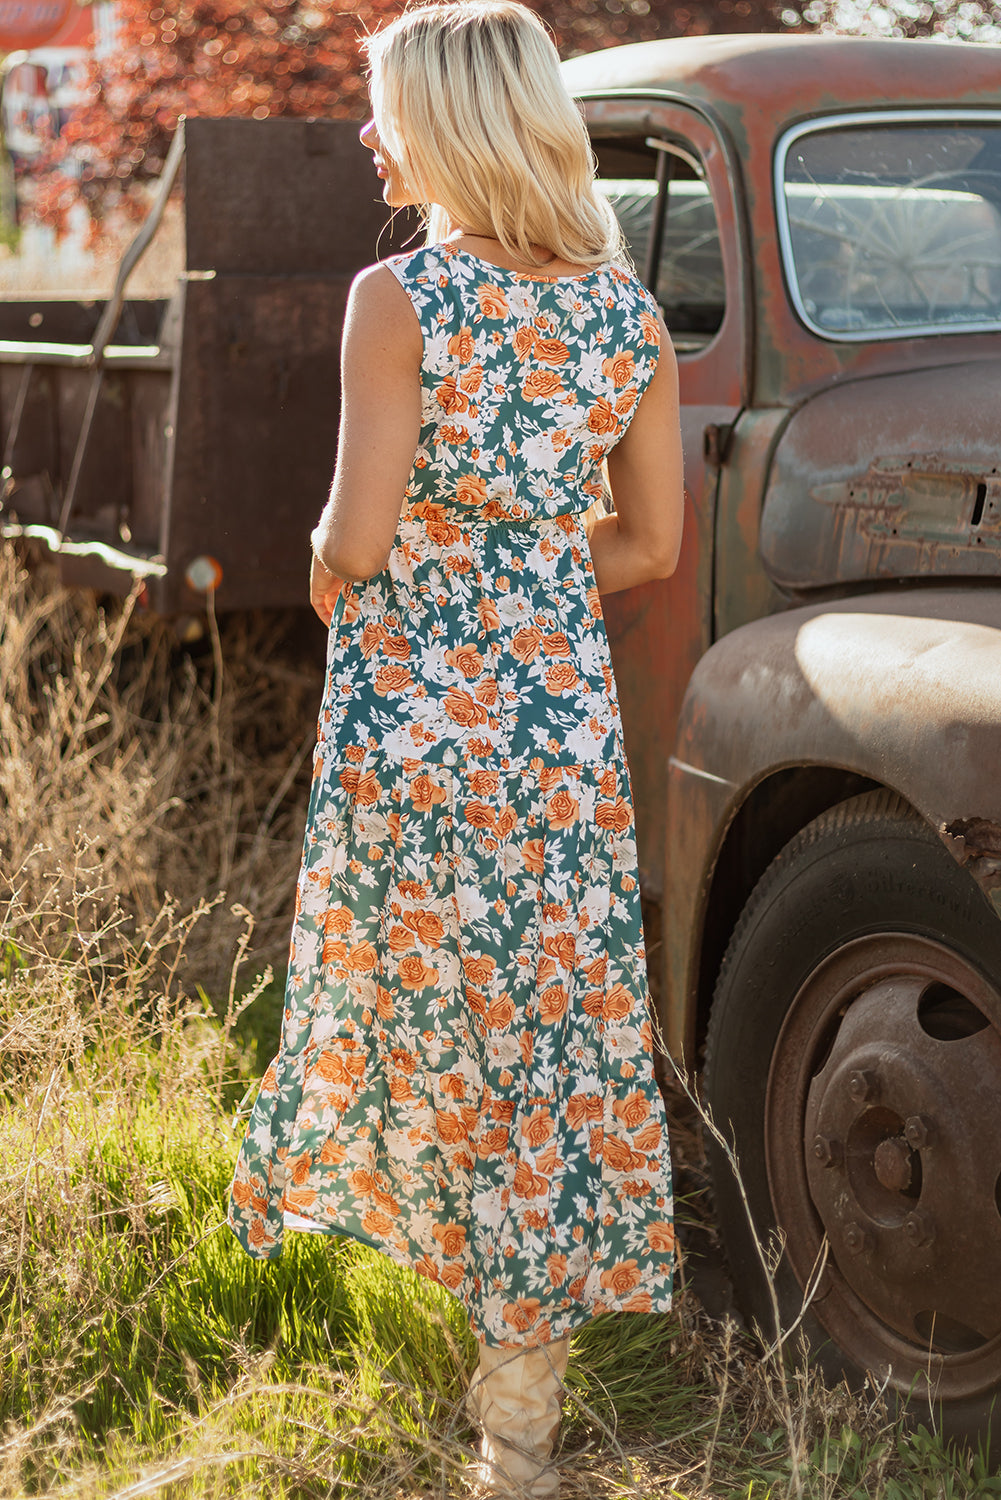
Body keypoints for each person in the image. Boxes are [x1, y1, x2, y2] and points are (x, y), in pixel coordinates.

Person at [228, 3, 684, 1493]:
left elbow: (356, 532)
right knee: (553, 1035)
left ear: (446, 125)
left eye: (385, 109)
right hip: (555, 734)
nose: (371, 133)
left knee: (429, 1016)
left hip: (421, 732)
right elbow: (652, 544)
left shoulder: (400, 298)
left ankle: (463, 1351)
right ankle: (520, 1432)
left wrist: (332, 557)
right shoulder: (625, 316)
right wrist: (529, 568)